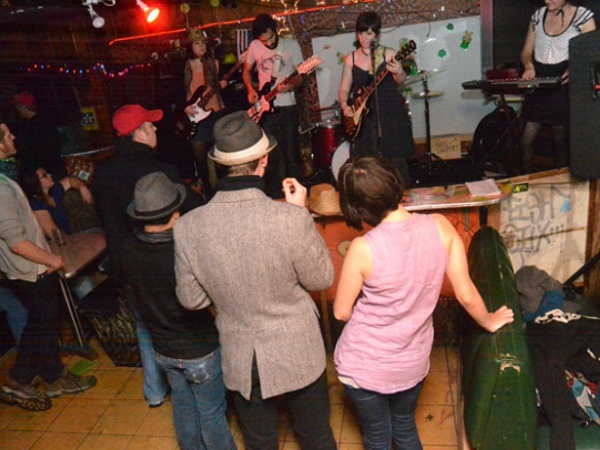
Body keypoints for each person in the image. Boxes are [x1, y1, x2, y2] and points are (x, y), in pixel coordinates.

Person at [174, 111, 337, 450]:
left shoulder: (188, 226)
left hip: (241, 356)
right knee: (315, 437)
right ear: (264, 162)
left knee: (259, 441)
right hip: (298, 352)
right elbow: (321, 277)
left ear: (219, 164)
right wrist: (300, 213)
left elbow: (191, 299)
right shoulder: (289, 219)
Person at [332, 156, 515, 450]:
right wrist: (490, 320)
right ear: (395, 182)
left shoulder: (362, 248)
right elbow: (465, 293)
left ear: (358, 206)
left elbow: (341, 312)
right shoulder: (441, 226)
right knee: (404, 428)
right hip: (412, 362)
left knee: (377, 436)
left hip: (363, 366)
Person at [92, 104, 203, 408]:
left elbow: (105, 220)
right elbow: (194, 210)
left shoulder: (101, 172)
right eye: (150, 126)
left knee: (145, 325)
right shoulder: (160, 171)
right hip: (165, 262)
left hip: (126, 266)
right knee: (181, 321)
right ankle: (195, 384)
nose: (155, 129)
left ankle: (154, 391)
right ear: (137, 133)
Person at [122, 172, 236, 450]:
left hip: (163, 351)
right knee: (210, 412)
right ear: (175, 213)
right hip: (200, 351)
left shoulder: (127, 250)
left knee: (183, 408)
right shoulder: (185, 250)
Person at [0, 122, 96, 412]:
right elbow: (15, 242)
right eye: (5, 134)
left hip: (30, 267)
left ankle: (53, 378)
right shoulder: (0, 188)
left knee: (41, 324)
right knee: (39, 326)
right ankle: (18, 380)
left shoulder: (6, 178)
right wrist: (51, 259)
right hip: (29, 268)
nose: (13, 135)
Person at [338, 12, 415, 185]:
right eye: (361, 33)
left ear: (377, 34)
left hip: (390, 113)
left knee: (396, 162)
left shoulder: (389, 54)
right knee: (368, 164)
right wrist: (344, 105)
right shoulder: (350, 59)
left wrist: (399, 71)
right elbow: (344, 89)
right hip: (364, 120)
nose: (364, 38)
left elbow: (400, 81)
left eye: (369, 33)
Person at [519, 1, 595, 173]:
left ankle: (563, 189)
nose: (547, 0)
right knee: (526, 140)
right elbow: (526, 51)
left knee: (560, 141)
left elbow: (590, 53)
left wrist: (574, 66)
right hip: (540, 84)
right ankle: (524, 184)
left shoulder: (583, 17)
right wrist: (528, 65)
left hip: (563, 85)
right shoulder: (538, 16)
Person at [242, 13, 304, 198]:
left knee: (292, 153)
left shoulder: (291, 45)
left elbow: (300, 75)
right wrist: (250, 89)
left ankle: (296, 194)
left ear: (276, 30)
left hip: (288, 106)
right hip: (265, 108)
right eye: (264, 40)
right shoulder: (254, 46)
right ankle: (275, 197)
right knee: (271, 156)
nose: (268, 43)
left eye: (270, 37)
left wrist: (292, 85)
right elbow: (246, 72)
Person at [184, 29, 228, 198]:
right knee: (200, 155)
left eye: (203, 43)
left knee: (219, 154)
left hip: (215, 111)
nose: (201, 46)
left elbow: (218, 85)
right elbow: (177, 90)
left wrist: (222, 85)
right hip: (196, 114)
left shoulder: (213, 63)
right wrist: (184, 106)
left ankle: (223, 190)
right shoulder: (186, 65)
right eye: (197, 43)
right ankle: (208, 192)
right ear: (190, 46)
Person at [20, 167, 93, 240]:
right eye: (45, 176)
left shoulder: (52, 192)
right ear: (35, 182)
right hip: (58, 245)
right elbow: (54, 235)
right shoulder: (37, 206)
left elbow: (70, 180)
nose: (49, 175)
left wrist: (82, 187)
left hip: (71, 236)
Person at [11, 92, 66, 179]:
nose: (16, 109)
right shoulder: (46, 121)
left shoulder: (30, 127)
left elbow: (29, 152)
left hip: (44, 174)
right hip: (55, 170)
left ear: (23, 107)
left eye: (17, 106)